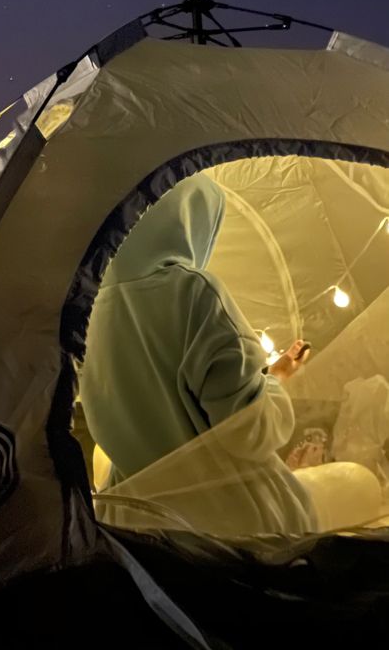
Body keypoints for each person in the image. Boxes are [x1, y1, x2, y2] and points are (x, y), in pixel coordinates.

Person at [80, 173, 316, 536]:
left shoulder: (87, 309)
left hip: (140, 530)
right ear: (195, 221)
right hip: (232, 531)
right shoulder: (193, 292)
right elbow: (248, 431)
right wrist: (275, 383)